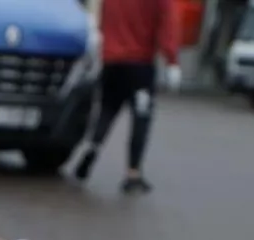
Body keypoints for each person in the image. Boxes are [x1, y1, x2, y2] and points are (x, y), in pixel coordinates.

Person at [73, 0, 181, 194]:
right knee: (141, 117)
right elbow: (167, 24)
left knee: (107, 111)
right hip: (140, 66)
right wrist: (172, 60)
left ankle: (92, 149)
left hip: (112, 63)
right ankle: (133, 173)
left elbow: (104, 21)